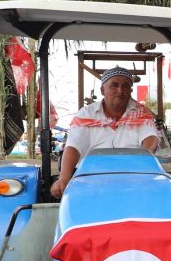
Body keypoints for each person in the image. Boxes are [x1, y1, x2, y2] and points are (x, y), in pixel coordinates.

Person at [53, 67, 161, 198]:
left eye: (125, 86)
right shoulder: (86, 114)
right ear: (102, 90)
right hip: (91, 178)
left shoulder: (141, 113)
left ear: (130, 91)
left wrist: (143, 160)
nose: (120, 90)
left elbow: (150, 138)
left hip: (133, 176)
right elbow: (74, 147)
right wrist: (64, 179)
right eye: (114, 85)